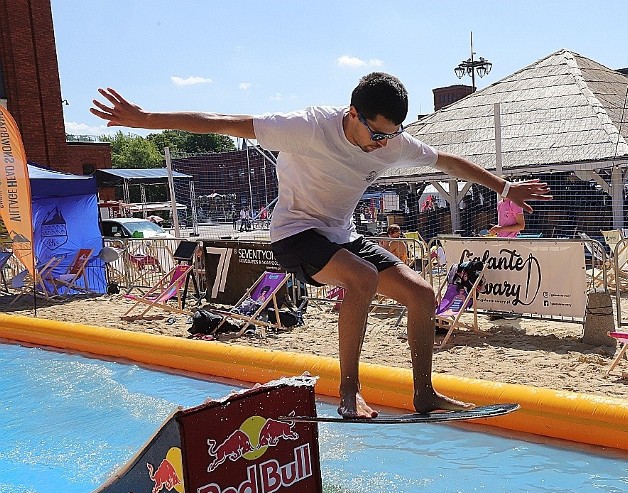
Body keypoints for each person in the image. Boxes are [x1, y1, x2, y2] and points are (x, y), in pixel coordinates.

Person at [90, 72, 551, 419]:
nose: (381, 145)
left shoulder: (391, 143)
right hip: (294, 234)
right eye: (375, 134)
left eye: (390, 136)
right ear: (352, 114)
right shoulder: (307, 126)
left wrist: (505, 190)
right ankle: (349, 392)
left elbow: (448, 161)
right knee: (363, 277)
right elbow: (223, 123)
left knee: (422, 295)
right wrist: (144, 119)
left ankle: (424, 394)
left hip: (341, 234)